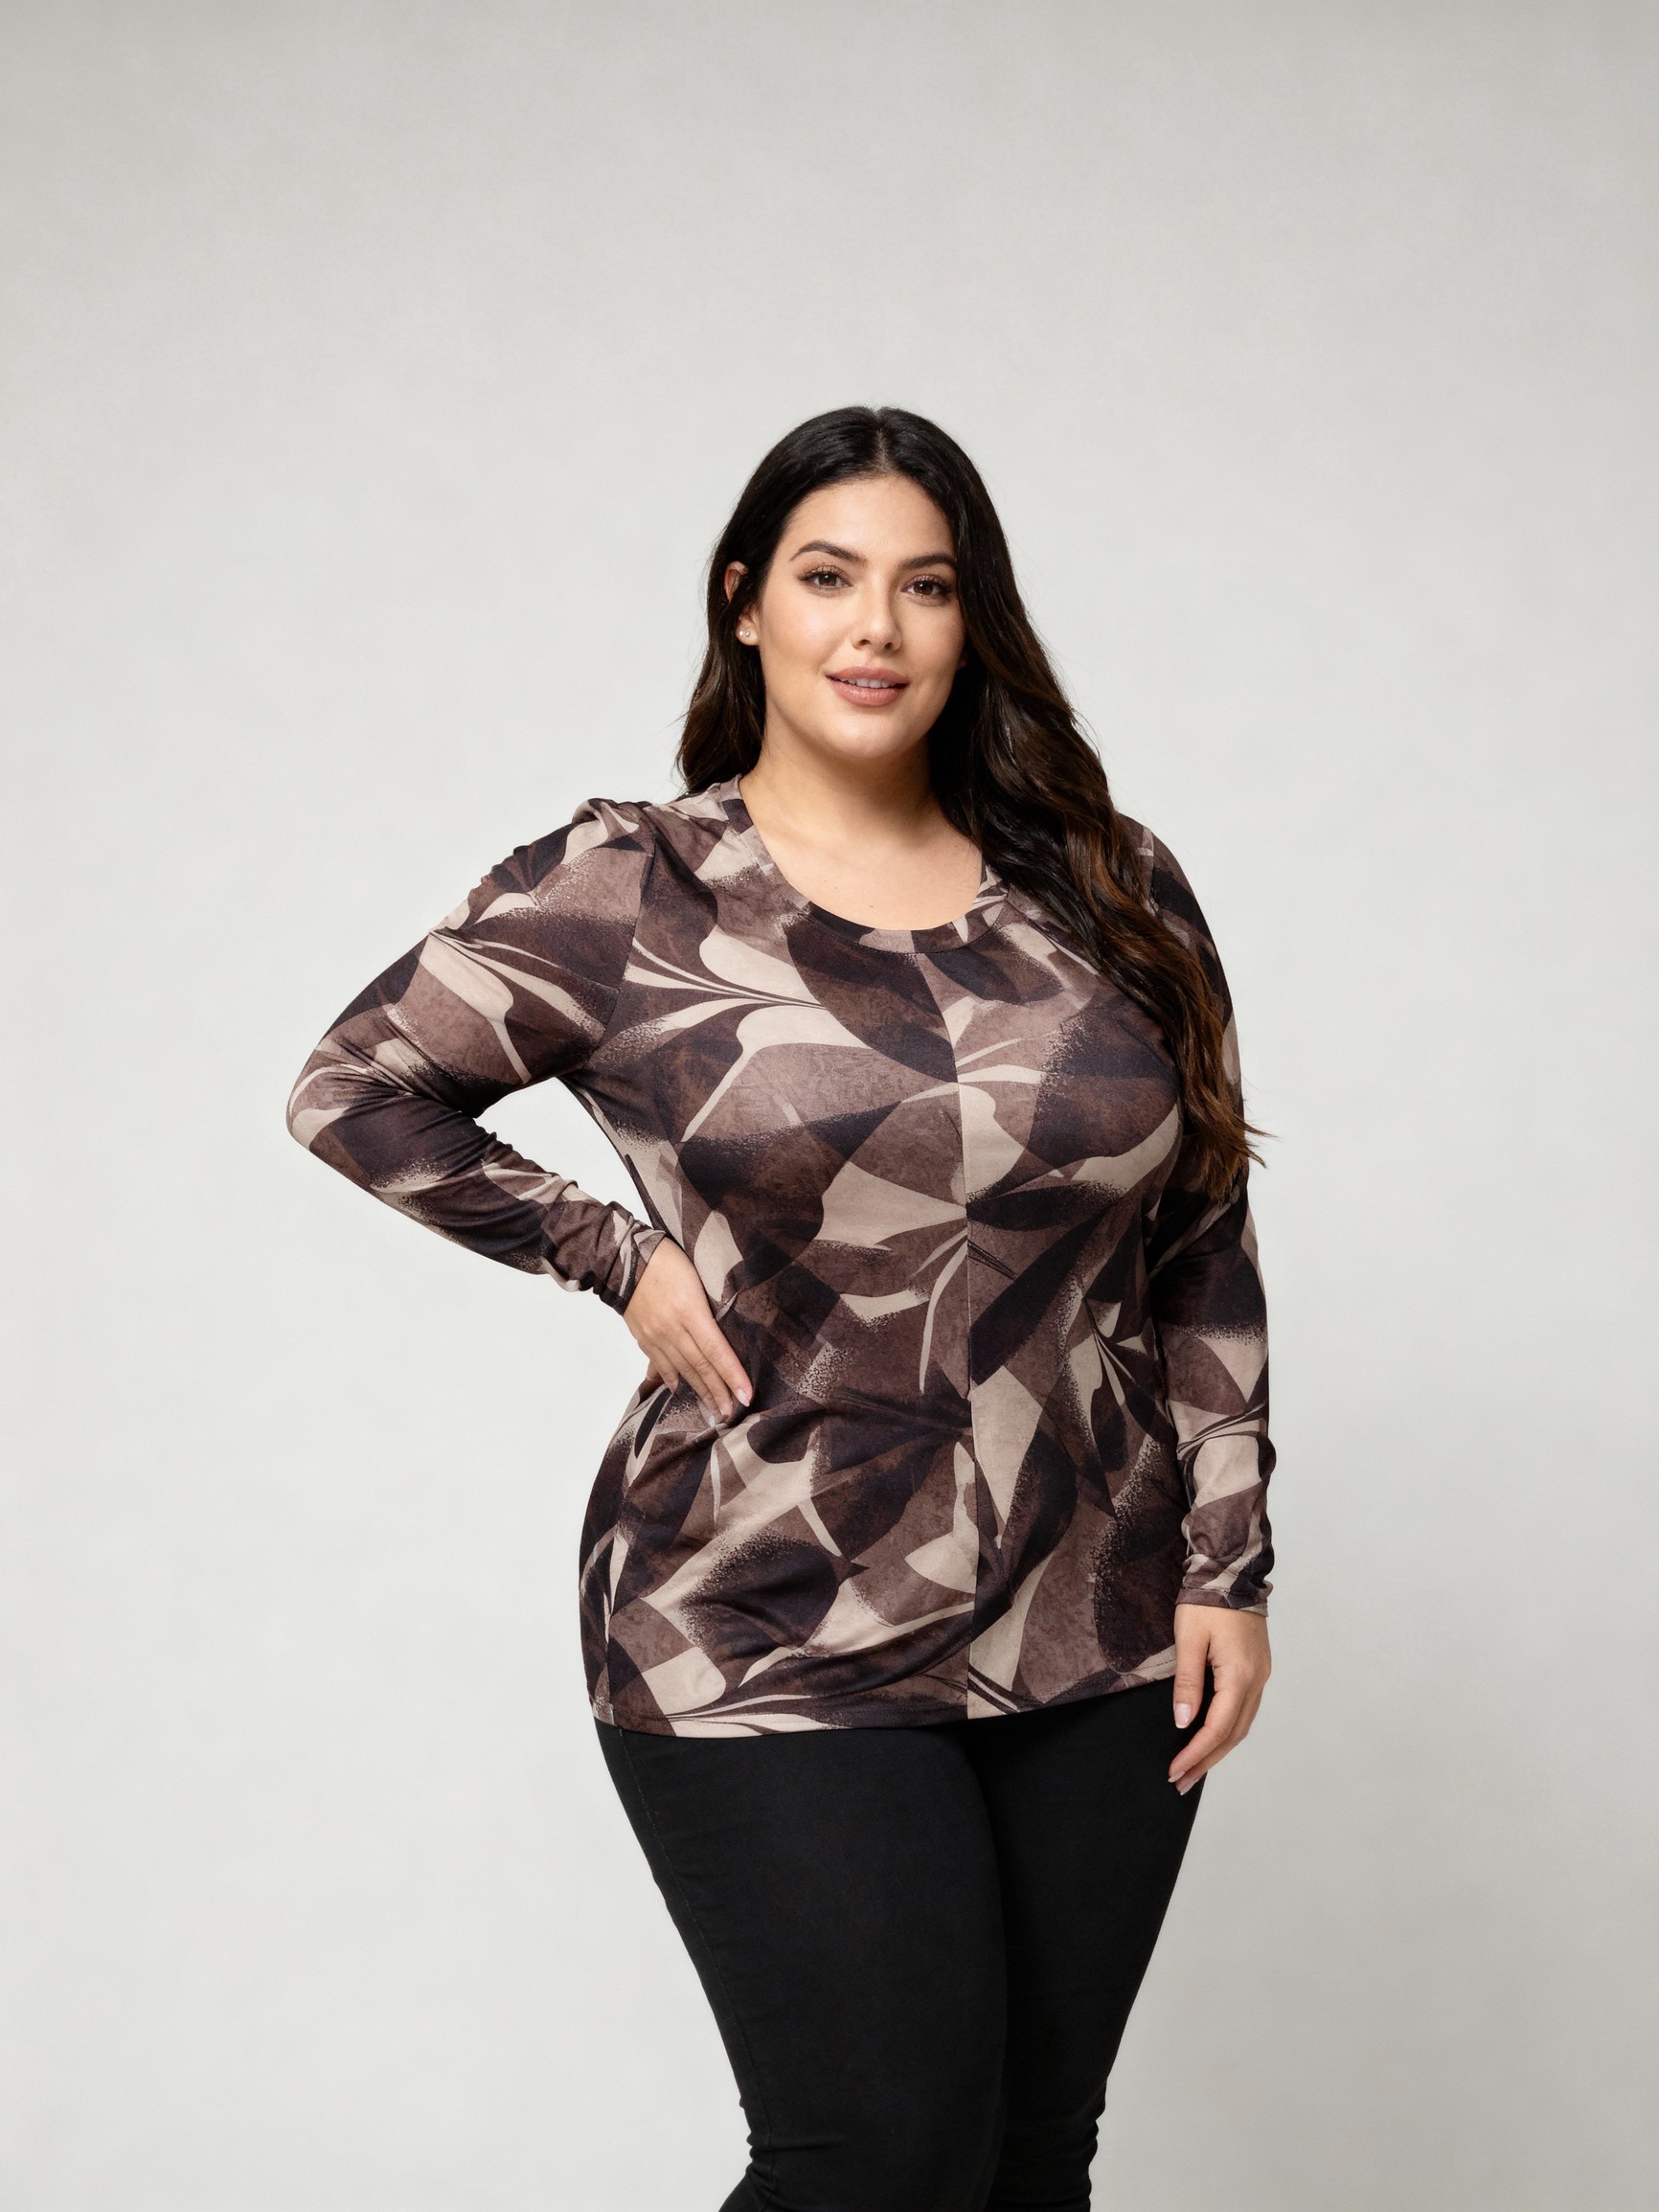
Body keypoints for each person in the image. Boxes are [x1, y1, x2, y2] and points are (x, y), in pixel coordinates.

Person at [286, 404, 1275, 2212]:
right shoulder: (633, 889)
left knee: (1029, 2162)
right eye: (829, 578)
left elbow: (1199, 1228)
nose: (874, 627)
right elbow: (353, 1088)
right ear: (746, 603)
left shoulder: (1111, 883)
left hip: (1098, 1602)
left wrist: (1230, 1564)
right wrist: (608, 1248)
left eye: (926, 586)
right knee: (879, 2163)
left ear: (973, 620)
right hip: (766, 1595)